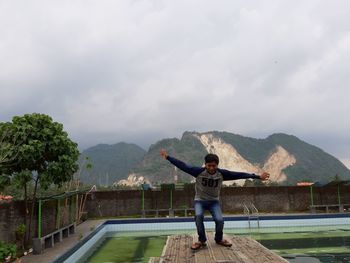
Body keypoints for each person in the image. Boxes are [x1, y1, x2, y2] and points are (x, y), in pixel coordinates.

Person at [160, 149, 270, 250]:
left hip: (214, 202)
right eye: (209, 166)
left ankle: (219, 239)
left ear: (217, 165)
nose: (211, 168)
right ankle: (201, 240)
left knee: (219, 220)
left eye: (214, 166)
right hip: (200, 200)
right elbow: (182, 165)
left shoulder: (222, 174)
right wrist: (168, 157)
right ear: (205, 164)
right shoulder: (197, 171)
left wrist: (257, 177)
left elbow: (239, 174)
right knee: (198, 216)